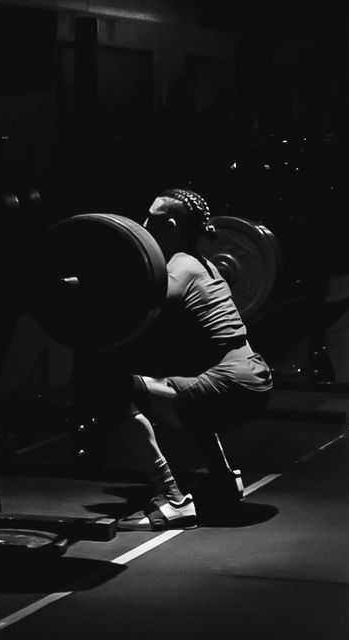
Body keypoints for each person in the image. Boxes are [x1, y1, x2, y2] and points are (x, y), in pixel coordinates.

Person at [107, 188, 274, 531]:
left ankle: (172, 499)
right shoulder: (204, 264)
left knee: (114, 392)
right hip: (251, 375)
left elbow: (138, 309)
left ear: (168, 227)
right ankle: (224, 480)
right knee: (184, 383)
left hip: (233, 381)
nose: (142, 226)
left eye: (150, 221)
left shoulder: (179, 267)